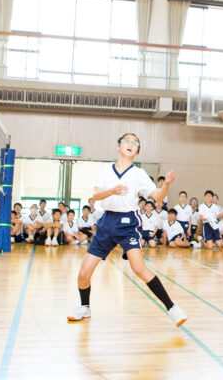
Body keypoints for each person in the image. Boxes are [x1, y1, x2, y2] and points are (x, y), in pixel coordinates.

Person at [67, 132, 186, 327]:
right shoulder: (105, 171)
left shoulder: (138, 174)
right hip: (106, 223)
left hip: (128, 222)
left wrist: (166, 185)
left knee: (138, 267)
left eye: (135, 142)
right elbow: (96, 197)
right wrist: (112, 191)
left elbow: (157, 196)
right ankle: (85, 307)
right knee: (83, 273)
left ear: (137, 150)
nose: (131, 144)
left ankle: (172, 308)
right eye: (127, 141)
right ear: (118, 146)